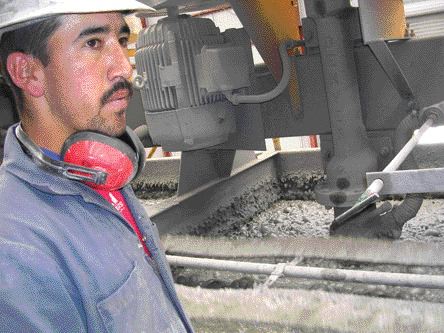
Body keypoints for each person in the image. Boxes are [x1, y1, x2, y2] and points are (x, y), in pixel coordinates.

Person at [0, 1, 194, 332]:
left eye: (121, 40)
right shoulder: (15, 252)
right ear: (28, 73)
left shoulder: (99, 168)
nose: (125, 67)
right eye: (93, 43)